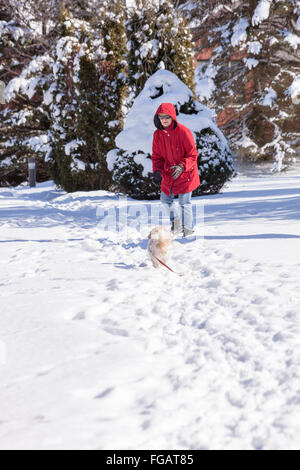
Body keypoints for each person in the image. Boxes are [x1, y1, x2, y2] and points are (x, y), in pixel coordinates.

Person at [151, 102, 200, 237]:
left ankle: (188, 229)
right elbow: (157, 156)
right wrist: (157, 171)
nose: (164, 120)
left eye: (167, 116)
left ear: (172, 117)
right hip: (169, 173)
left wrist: (182, 166)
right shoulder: (157, 135)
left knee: (184, 202)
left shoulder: (183, 131)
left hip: (186, 172)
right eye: (161, 117)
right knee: (165, 200)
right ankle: (176, 223)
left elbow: (192, 154)